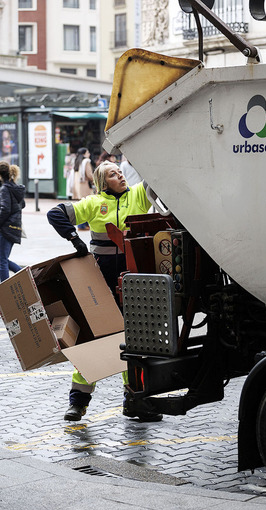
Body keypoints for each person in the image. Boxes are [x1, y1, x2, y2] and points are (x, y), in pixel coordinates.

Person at [47, 160, 162, 423]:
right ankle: (77, 403)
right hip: (101, 286)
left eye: (120, 172)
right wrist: (75, 239)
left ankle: (135, 400)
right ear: (102, 183)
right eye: (113, 174)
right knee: (94, 343)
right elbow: (55, 214)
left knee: (132, 342)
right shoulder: (93, 203)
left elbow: (158, 178)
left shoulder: (138, 195)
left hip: (133, 284)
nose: (120, 176)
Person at [0, 162, 25, 282]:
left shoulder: (5, 188)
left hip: (6, 228)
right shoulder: (14, 187)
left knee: (2, 260)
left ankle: (5, 290)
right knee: (2, 258)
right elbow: (22, 204)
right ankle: (25, 275)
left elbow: (5, 209)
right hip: (14, 227)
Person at [73, 147, 93, 230]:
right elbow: (89, 174)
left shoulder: (78, 161)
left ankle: (82, 225)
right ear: (84, 154)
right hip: (85, 186)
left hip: (78, 186)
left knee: (82, 205)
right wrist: (95, 180)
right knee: (87, 205)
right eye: (88, 152)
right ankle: (82, 225)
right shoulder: (86, 161)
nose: (89, 154)